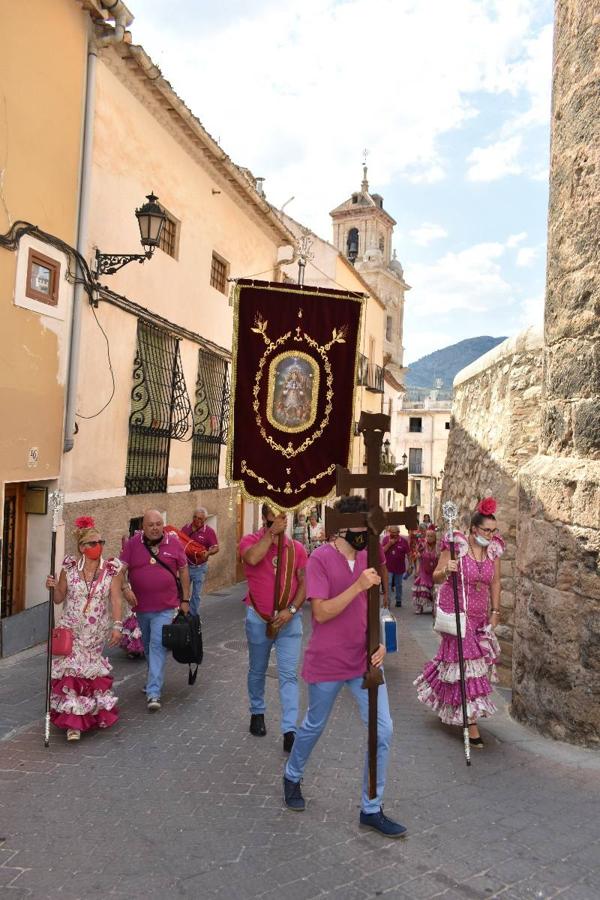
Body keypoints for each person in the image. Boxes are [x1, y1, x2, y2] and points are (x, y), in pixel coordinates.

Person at [283, 495, 407, 839]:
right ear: (342, 526)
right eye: (359, 526)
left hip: (364, 662)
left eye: (367, 526)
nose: (364, 533)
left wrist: (381, 642)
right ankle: (292, 775)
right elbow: (321, 613)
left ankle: (371, 807)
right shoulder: (320, 559)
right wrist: (357, 585)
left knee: (383, 730)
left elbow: (375, 608)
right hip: (327, 660)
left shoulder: (370, 556)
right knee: (313, 725)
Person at [414, 497, 503, 746]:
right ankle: (470, 723)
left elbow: (496, 582)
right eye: (486, 530)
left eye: (493, 530)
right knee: (467, 666)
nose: (490, 534)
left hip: (479, 617)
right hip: (457, 613)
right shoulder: (455, 545)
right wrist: (447, 569)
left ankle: (445, 698)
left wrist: (496, 611)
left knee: (457, 664)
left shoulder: (494, 550)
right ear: (474, 528)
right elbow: (436, 575)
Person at [45, 516, 122, 742]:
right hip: (71, 631)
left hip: (95, 635)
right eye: (92, 543)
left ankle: (91, 714)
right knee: (71, 675)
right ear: (81, 547)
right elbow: (59, 598)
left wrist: (117, 626)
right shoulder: (68, 569)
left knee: (88, 674)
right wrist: (51, 588)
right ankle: (73, 725)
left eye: (100, 542)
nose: (97, 547)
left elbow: (116, 600)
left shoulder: (110, 571)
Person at [240, 504, 307, 752]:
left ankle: (290, 730)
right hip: (258, 618)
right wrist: (270, 536)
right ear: (264, 521)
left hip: (289, 622)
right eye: (271, 523)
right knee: (257, 670)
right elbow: (252, 558)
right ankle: (257, 711)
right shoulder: (250, 541)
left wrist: (290, 611)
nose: (276, 527)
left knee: (288, 675)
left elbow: (304, 583)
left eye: (280, 522)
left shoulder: (296, 549)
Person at [117, 510, 191, 712]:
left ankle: (153, 693)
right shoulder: (133, 544)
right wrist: (125, 588)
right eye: (151, 524)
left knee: (157, 645)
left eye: (159, 523)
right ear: (143, 526)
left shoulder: (174, 543)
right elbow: (120, 569)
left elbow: (184, 570)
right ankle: (153, 677)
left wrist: (185, 599)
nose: (156, 527)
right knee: (149, 645)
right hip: (141, 608)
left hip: (165, 607)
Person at [180, 507, 219, 616]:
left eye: (200, 519)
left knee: (196, 594)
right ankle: (182, 613)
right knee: (183, 592)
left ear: (205, 520)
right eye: (195, 517)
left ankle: (193, 616)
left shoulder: (209, 532)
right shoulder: (185, 529)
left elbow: (216, 548)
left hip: (199, 568)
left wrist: (208, 553)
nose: (197, 520)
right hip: (186, 567)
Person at [412, 526, 439, 614]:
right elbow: (417, 558)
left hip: (434, 571)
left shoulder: (438, 548)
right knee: (422, 586)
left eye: (431, 536)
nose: (429, 538)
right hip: (423, 571)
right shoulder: (422, 546)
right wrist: (417, 569)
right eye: (428, 536)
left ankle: (434, 608)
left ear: (435, 537)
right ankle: (419, 607)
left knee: (434, 590)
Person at [382, 526, 410, 608]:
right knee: (389, 583)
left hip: (399, 567)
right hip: (388, 567)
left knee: (399, 584)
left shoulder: (403, 541)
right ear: (389, 532)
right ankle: (388, 601)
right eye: (392, 532)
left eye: (395, 532)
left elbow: (408, 554)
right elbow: (382, 551)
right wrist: (390, 544)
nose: (394, 534)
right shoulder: (385, 539)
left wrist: (411, 565)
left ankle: (398, 600)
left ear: (398, 532)